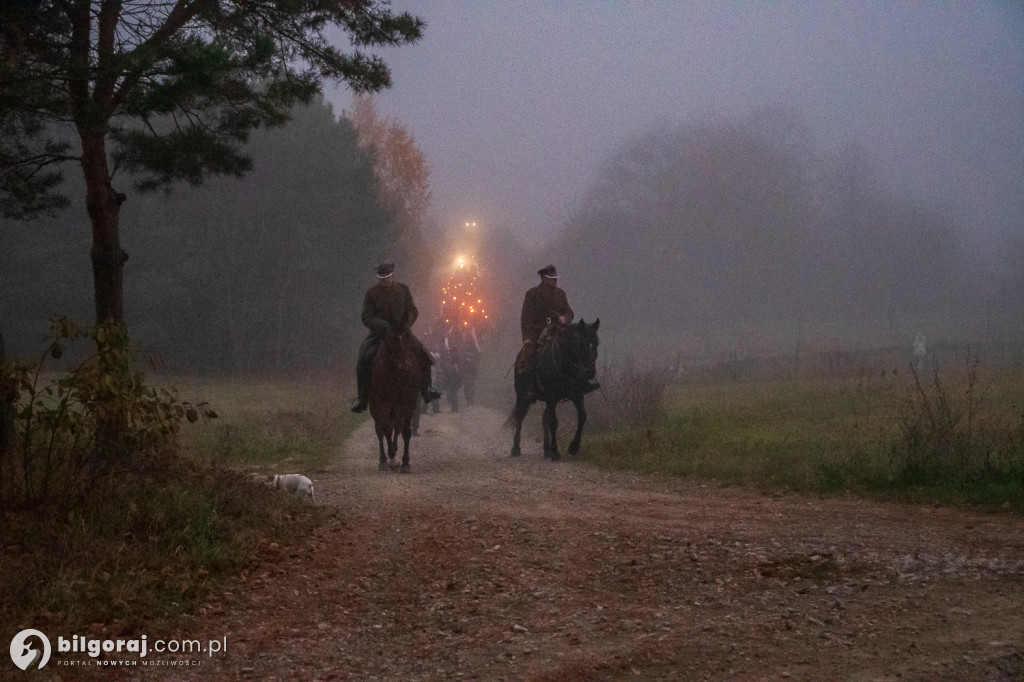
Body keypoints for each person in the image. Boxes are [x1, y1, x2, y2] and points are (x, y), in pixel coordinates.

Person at [351, 262, 441, 413]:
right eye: (382, 278)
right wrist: (383, 326)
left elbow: (413, 310)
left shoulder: (404, 290)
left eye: (387, 277)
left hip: (403, 332)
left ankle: (428, 390)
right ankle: (362, 398)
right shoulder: (371, 294)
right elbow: (366, 317)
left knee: (423, 354)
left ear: (392, 276)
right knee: (363, 357)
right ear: (378, 278)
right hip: (379, 334)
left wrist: (407, 324)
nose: (385, 281)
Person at [517, 264, 599, 393]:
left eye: (556, 278)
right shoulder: (532, 294)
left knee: (578, 349)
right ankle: (530, 386)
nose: (555, 280)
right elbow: (526, 318)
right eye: (552, 278)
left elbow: (569, 312)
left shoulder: (561, 294)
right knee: (530, 356)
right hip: (539, 331)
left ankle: (584, 381)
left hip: (559, 330)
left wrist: (564, 318)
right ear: (544, 278)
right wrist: (527, 337)